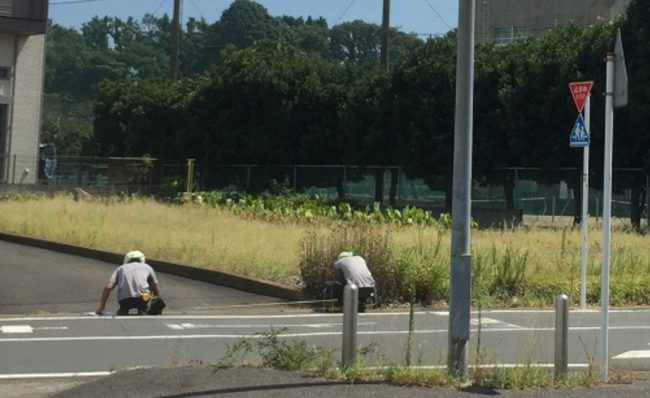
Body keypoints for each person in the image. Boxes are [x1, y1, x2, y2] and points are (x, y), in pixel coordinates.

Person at [96, 250, 165, 315]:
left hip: (125, 300)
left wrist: (102, 307)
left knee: (123, 310)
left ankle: (123, 310)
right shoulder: (147, 267)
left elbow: (108, 287)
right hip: (143, 299)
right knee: (150, 281)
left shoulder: (121, 268)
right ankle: (142, 309)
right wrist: (156, 299)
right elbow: (155, 284)